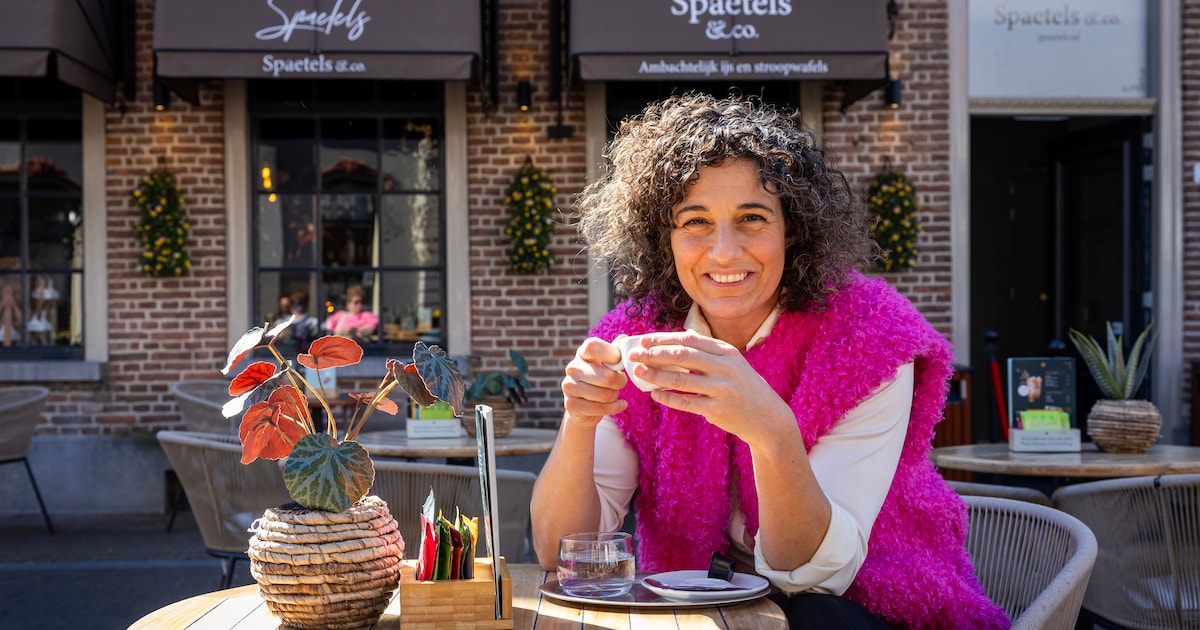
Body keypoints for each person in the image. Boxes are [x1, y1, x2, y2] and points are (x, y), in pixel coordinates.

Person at [529, 93, 1008, 629]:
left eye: (752, 218)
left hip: (871, 608)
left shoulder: (869, 335)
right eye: (695, 222)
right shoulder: (636, 336)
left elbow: (818, 575)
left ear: (793, 229)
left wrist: (769, 426)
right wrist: (579, 419)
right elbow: (562, 556)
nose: (725, 252)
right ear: (662, 238)